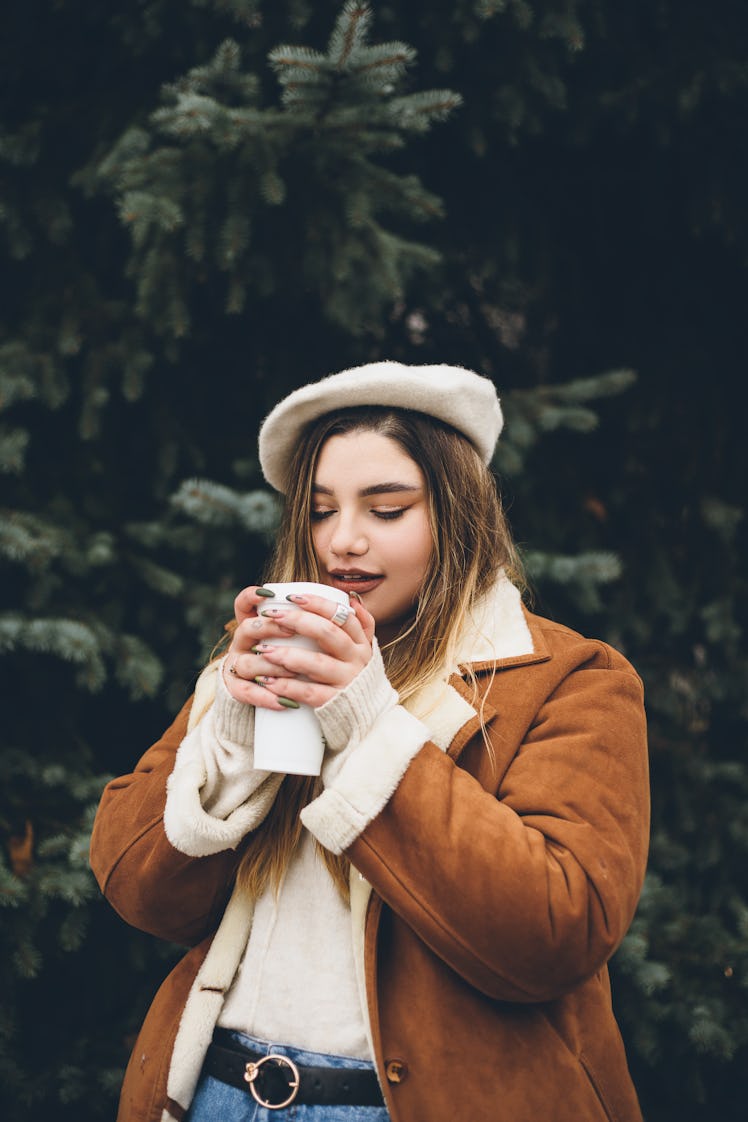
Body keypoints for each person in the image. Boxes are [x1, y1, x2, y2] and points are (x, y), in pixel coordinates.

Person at [90, 361, 649, 1122]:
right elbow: (137, 892)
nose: (342, 541)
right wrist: (227, 729)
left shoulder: (569, 679)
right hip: (215, 1093)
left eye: (387, 509)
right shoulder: (260, 662)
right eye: (320, 511)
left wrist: (368, 729)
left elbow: (556, 933)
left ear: (456, 515)